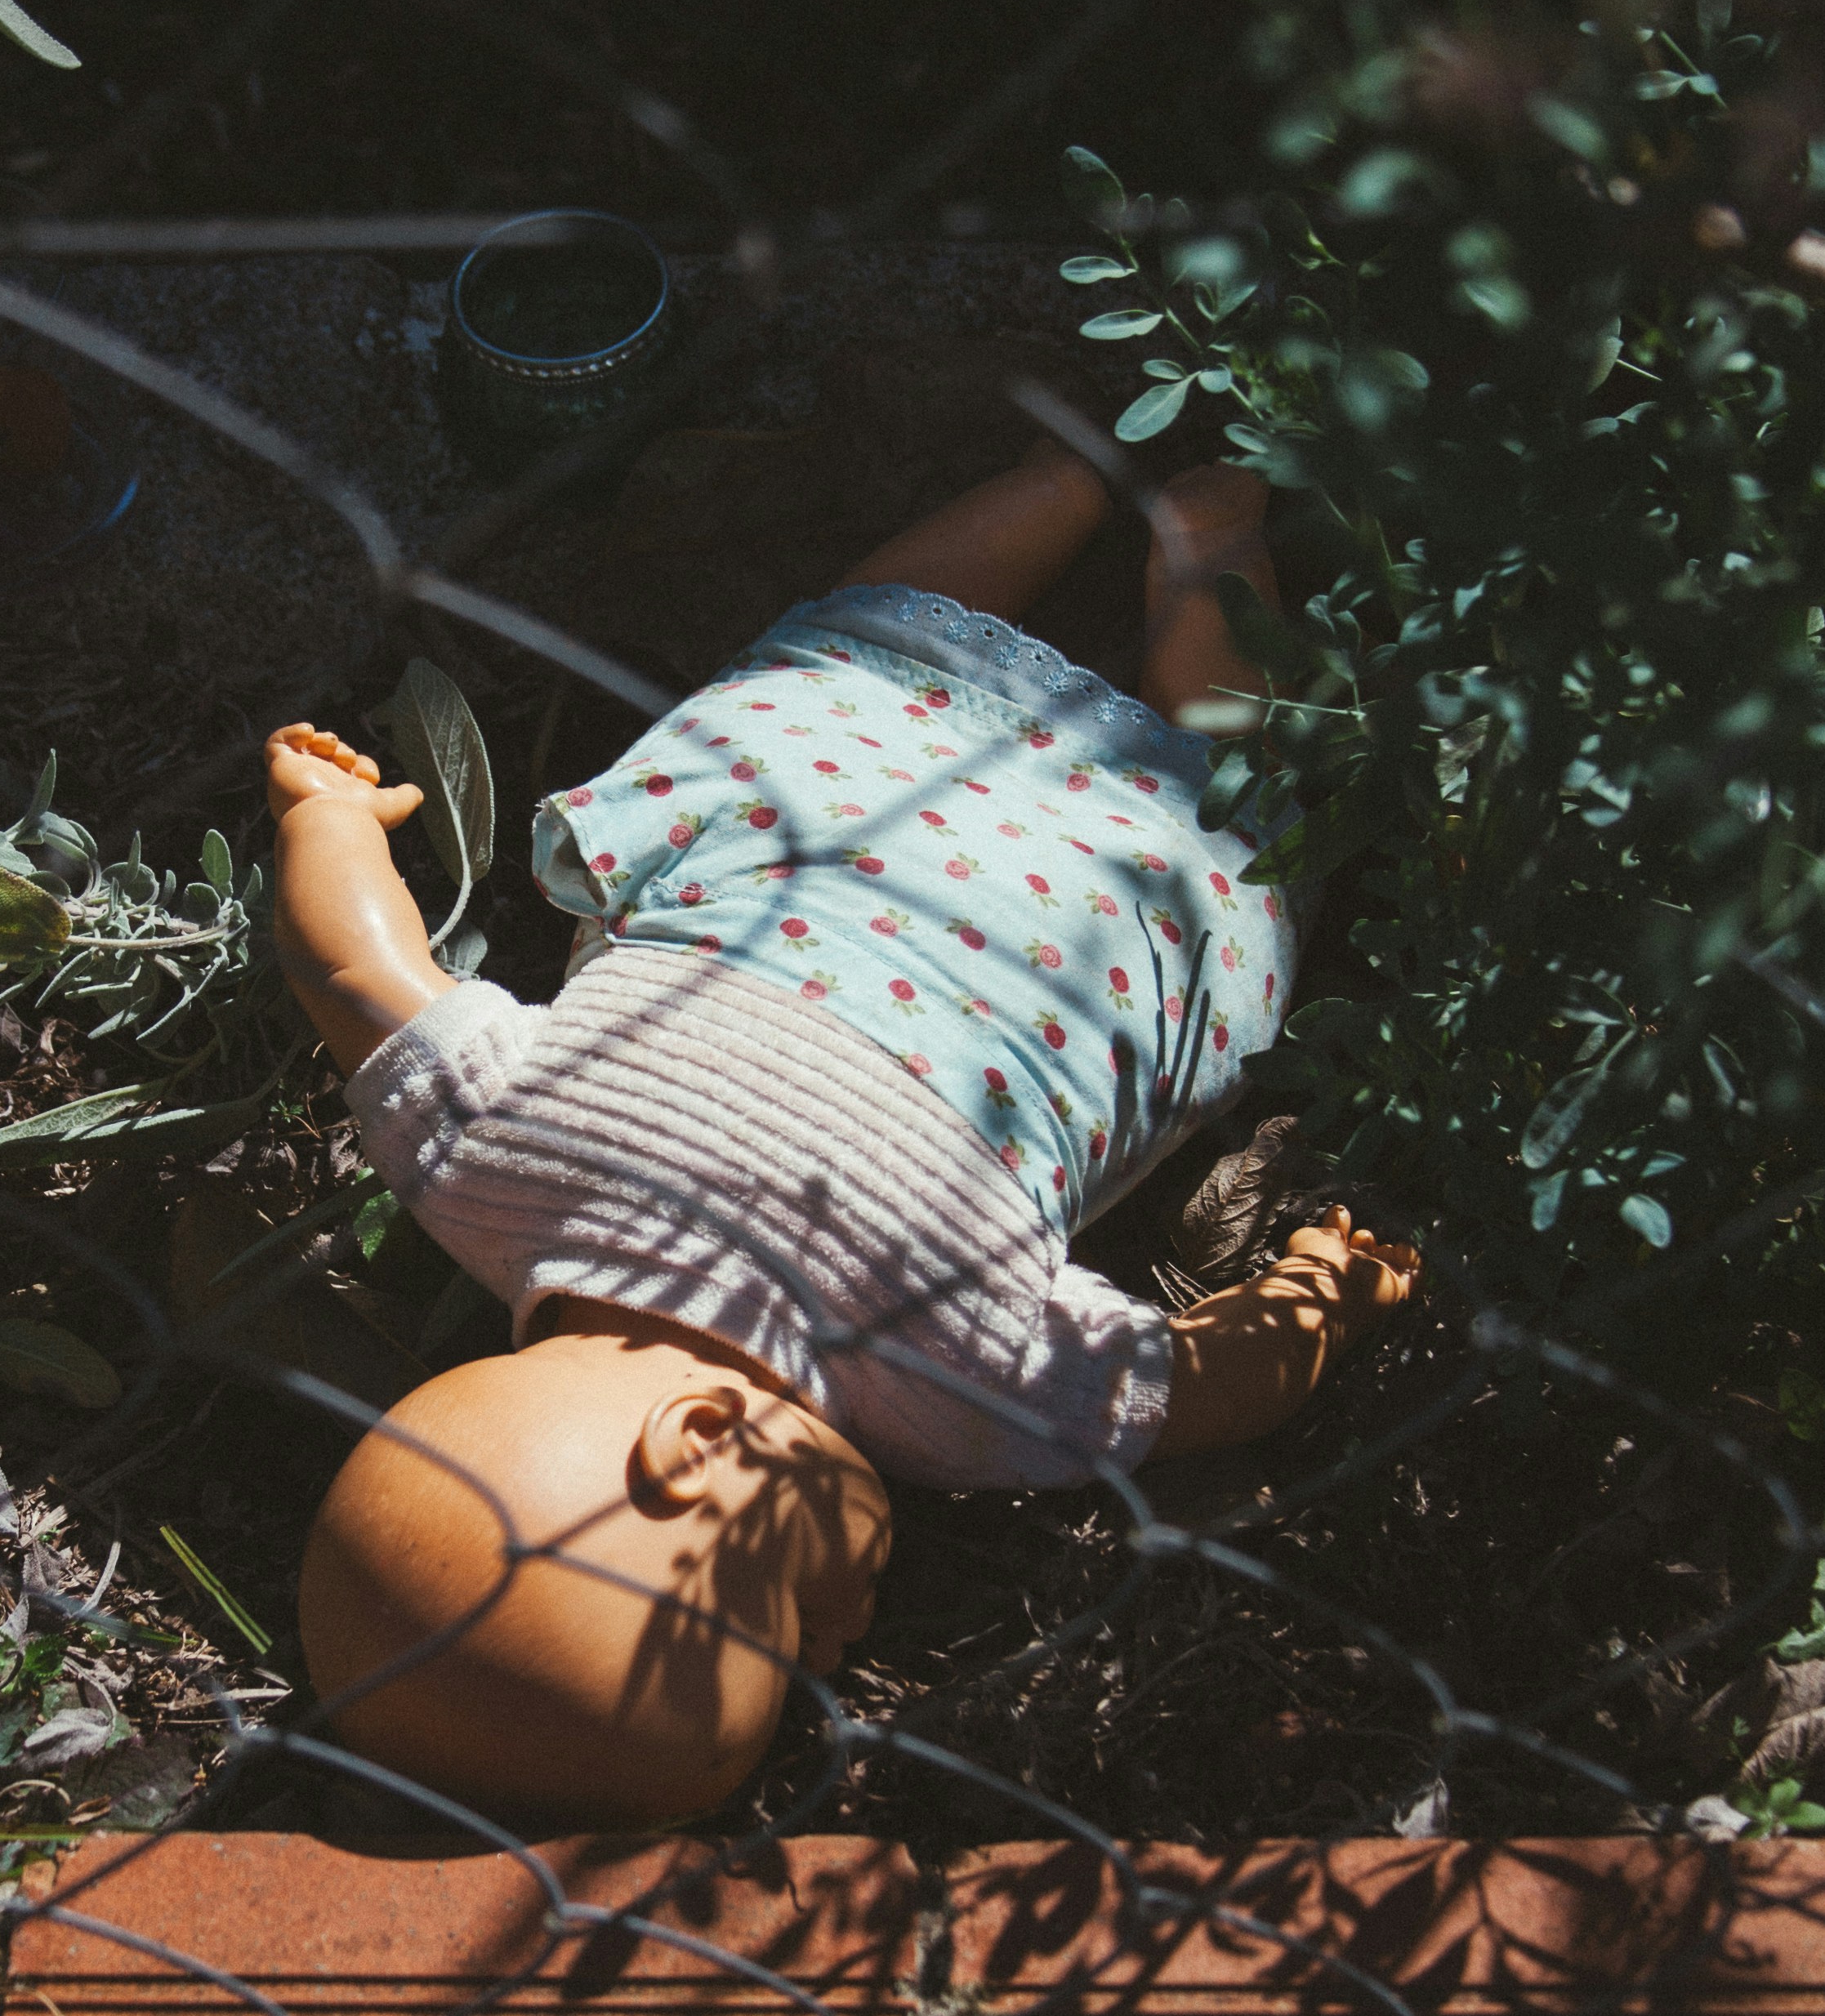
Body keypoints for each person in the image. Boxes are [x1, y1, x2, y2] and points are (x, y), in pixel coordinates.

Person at [265, 435, 1421, 1831]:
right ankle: (1074, 456)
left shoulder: (958, 1387)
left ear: (696, 1448)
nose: (835, 1654)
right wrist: (330, 819)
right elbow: (356, 974)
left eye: (774, 1634)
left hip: (1115, 901)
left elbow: (1198, 1386)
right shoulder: (484, 1167)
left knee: (1248, 780)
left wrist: (1321, 1298)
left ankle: (1206, 543)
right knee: (874, 615)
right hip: (844, 787)